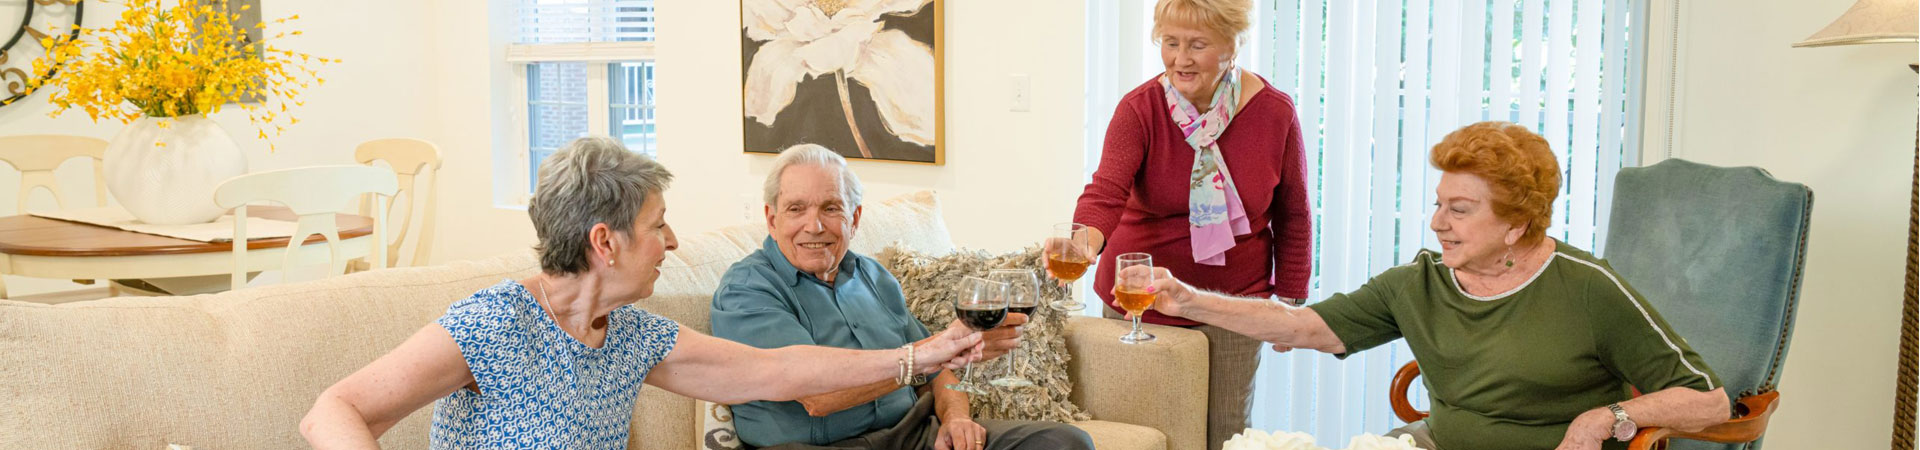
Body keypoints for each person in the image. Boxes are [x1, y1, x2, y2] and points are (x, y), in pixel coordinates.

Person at [299, 137, 985, 449]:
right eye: (658, 226)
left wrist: (920, 357)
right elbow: (334, 411)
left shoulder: (631, 335)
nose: (675, 242)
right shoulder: (496, 323)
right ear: (607, 242)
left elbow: (778, 371)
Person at [1134, 122, 1731, 450]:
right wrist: (1189, 298)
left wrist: (1604, 417)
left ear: (1517, 222)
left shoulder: (1588, 289)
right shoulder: (1419, 283)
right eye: (1438, 204)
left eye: (1461, 209)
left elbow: (1709, 400)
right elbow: (1301, 327)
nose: (1438, 222)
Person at [713, 144, 1094, 450]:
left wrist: (955, 419)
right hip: (811, 445)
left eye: (831, 208)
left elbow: (939, 367)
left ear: (855, 218)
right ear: (772, 218)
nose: (814, 225)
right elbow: (817, 395)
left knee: (1065, 441)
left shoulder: (875, 277)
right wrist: (929, 356)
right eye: (797, 209)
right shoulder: (747, 289)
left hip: (911, 434)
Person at [1054, 0, 1310, 448]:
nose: (1180, 59)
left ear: (1233, 45)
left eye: (1197, 45)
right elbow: (1106, 190)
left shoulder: (1275, 113)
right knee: (1139, 430)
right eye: (1170, 43)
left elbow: (1294, 213)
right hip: (1140, 296)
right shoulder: (1139, 109)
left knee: (1223, 433)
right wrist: (1084, 242)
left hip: (1233, 303)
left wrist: (1288, 305)